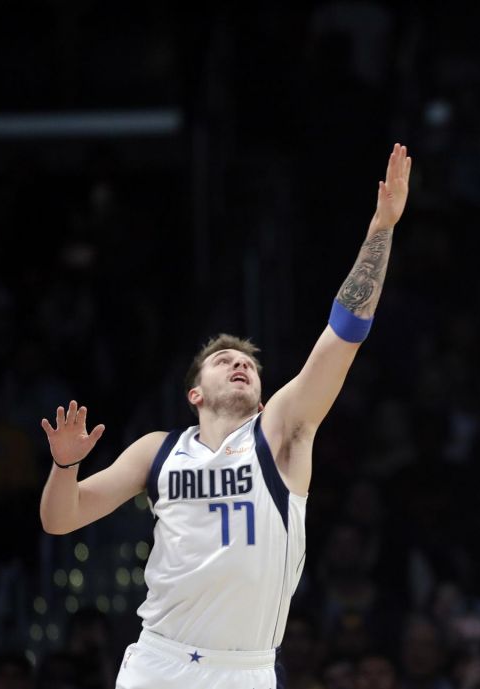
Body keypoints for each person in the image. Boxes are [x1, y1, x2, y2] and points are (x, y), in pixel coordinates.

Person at [38, 143, 413, 689]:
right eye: (223, 360)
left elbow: (345, 332)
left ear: (262, 398)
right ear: (195, 393)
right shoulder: (158, 450)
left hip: (244, 669)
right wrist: (65, 466)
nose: (239, 363)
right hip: (158, 661)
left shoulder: (280, 432)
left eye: (248, 364)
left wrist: (382, 225)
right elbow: (59, 519)